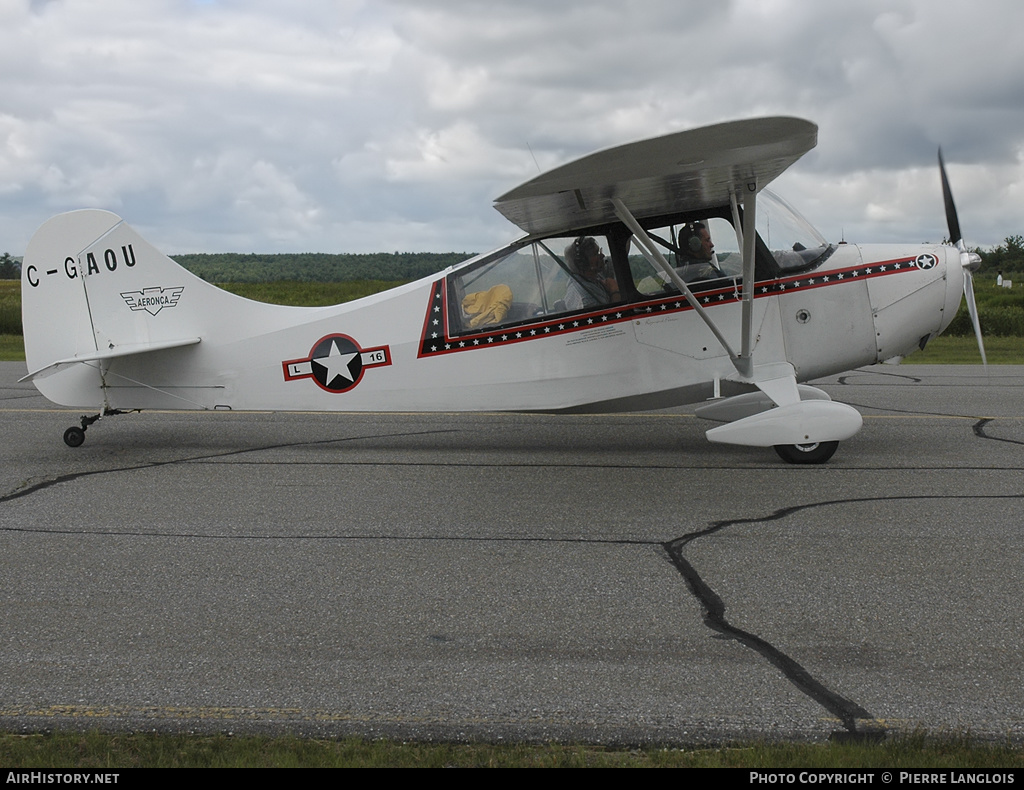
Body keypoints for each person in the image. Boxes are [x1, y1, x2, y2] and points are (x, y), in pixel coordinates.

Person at [563, 236, 620, 310]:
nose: (602, 256)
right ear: (583, 262)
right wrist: (615, 291)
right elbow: (611, 318)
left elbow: (620, 254)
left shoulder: (593, 274)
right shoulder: (584, 298)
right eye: (595, 254)